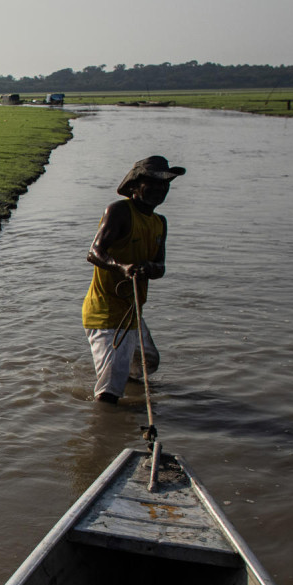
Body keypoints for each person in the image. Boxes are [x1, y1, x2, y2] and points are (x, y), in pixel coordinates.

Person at [82, 156, 185, 404]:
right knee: (108, 392)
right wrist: (122, 267)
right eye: (154, 183)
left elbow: (160, 267)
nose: (161, 190)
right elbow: (94, 253)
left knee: (147, 361)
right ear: (136, 186)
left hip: (132, 310)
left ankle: (130, 394)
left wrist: (149, 268)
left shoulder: (160, 223)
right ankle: (107, 427)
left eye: (165, 185)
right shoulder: (119, 211)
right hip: (106, 313)